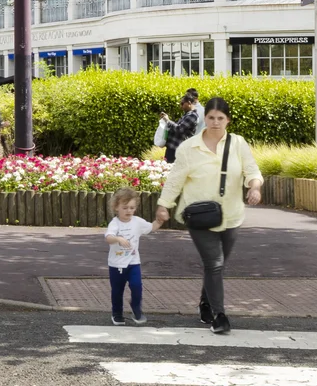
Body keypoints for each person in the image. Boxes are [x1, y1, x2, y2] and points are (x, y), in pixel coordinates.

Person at [154, 96, 263, 336]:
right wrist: (164, 205)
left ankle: (206, 303)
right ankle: (219, 315)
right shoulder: (189, 147)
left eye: (220, 118)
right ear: (205, 119)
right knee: (214, 263)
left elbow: (252, 171)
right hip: (199, 215)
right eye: (211, 118)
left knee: (217, 266)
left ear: (228, 121)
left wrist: (254, 187)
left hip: (231, 215)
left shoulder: (238, 144)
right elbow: (175, 180)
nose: (215, 122)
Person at [103, 187, 155, 326]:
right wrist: (118, 239)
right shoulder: (115, 223)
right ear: (116, 208)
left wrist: (160, 220)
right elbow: (108, 237)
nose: (129, 211)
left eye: (132, 208)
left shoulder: (137, 221)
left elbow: (151, 227)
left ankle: (136, 307)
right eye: (125, 208)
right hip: (116, 264)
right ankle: (117, 314)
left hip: (133, 262)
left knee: (137, 286)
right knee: (117, 291)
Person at [160, 89, 202, 163]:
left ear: (189, 103)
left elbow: (179, 129)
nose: (181, 106)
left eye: (182, 104)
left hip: (178, 150)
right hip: (173, 148)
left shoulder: (192, 116)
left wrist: (167, 120)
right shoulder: (187, 114)